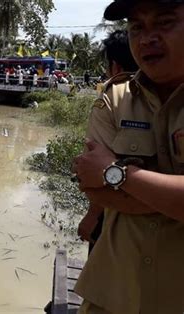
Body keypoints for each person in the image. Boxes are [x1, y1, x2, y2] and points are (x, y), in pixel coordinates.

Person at [71, 1, 184, 313]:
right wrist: (172, 197)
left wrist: (114, 172)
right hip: (113, 294)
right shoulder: (114, 100)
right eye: (137, 27)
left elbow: (103, 179)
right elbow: (94, 189)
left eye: (164, 22)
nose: (147, 38)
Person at [78, 29, 139, 253]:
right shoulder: (166, 95)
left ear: (114, 66)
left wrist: (92, 215)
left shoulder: (112, 98)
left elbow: (96, 170)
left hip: (112, 216)